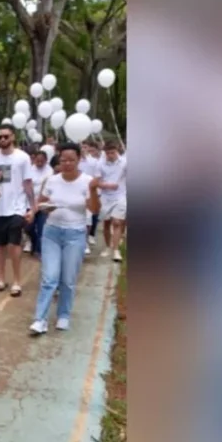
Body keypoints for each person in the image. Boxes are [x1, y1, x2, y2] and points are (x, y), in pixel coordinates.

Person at [29, 143, 101, 335]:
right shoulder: (52, 180)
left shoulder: (87, 181)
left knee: (68, 279)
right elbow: (41, 202)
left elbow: (94, 209)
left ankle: (64, 315)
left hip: (75, 234)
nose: (67, 164)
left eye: (71, 160)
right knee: (49, 278)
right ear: (58, 161)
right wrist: (41, 209)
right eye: (63, 160)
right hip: (51, 232)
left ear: (79, 160)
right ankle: (40, 319)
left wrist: (93, 190)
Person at [0, 123, 34, 297]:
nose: (3, 139)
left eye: (6, 136)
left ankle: (17, 280)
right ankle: (0, 278)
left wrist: (32, 208)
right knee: (0, 245)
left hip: (17, 207)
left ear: (13, 137)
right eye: (0, 137)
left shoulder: (23, 158)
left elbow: (28, 183)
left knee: (14, 245)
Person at [97, 140, 128, 262]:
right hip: (105, 197)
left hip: (120, 196)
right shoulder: (100, 164)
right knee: (106, 223)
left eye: (113, 153)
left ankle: (116, 250)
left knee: (117, 222)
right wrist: (107, 185)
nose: (110, 155)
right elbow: (97, 182)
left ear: (117, 151)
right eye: (108, 153)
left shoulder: (124, 162)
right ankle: (108, 247)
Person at [25, 149, 54, 257]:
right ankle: (34, 240)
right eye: (38, 161)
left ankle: (39, 250)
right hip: (29, 203)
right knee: (28, 227)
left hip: (43, 204)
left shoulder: (50, 172)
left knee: (42, 227)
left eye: (42, 161)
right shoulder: (29, 170)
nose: (40, 163)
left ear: (46, 160)